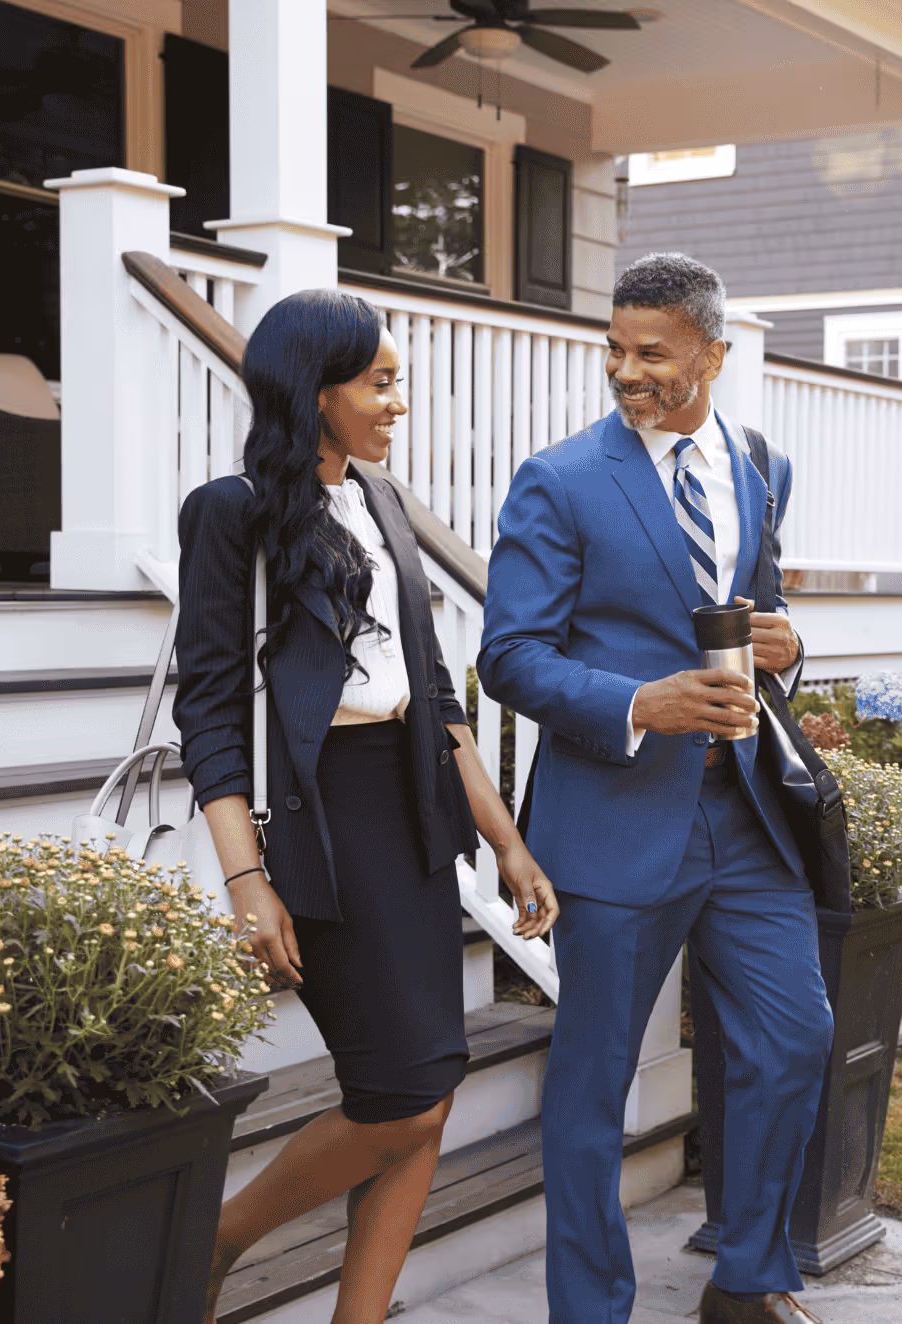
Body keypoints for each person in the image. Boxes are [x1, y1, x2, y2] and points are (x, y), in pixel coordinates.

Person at [174, 289, 558, 1324]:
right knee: (397, 1095)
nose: (398, 404)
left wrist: (504, 840)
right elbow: (208, 710)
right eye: (379, 383)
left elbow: (435, 697)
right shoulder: (231, 511)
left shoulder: (382, 501)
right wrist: (246, 879)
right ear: (316, 390)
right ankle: (213, 1237)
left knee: (428, 1095)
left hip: (417, 807)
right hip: (323, 816)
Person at [479, 252, 835, 1324]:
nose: (627, 373)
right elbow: (510, 655)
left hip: (747, 814)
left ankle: (749, 1280)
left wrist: (785, 646)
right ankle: (589, 1310)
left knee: (795, 1036)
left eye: (655, 355)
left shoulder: (759, 461)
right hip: (616, 820)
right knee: (592, 1085)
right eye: (615, 350)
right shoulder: (560, 478)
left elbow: (756, 614)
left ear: (713, 354)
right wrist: (643, 703)